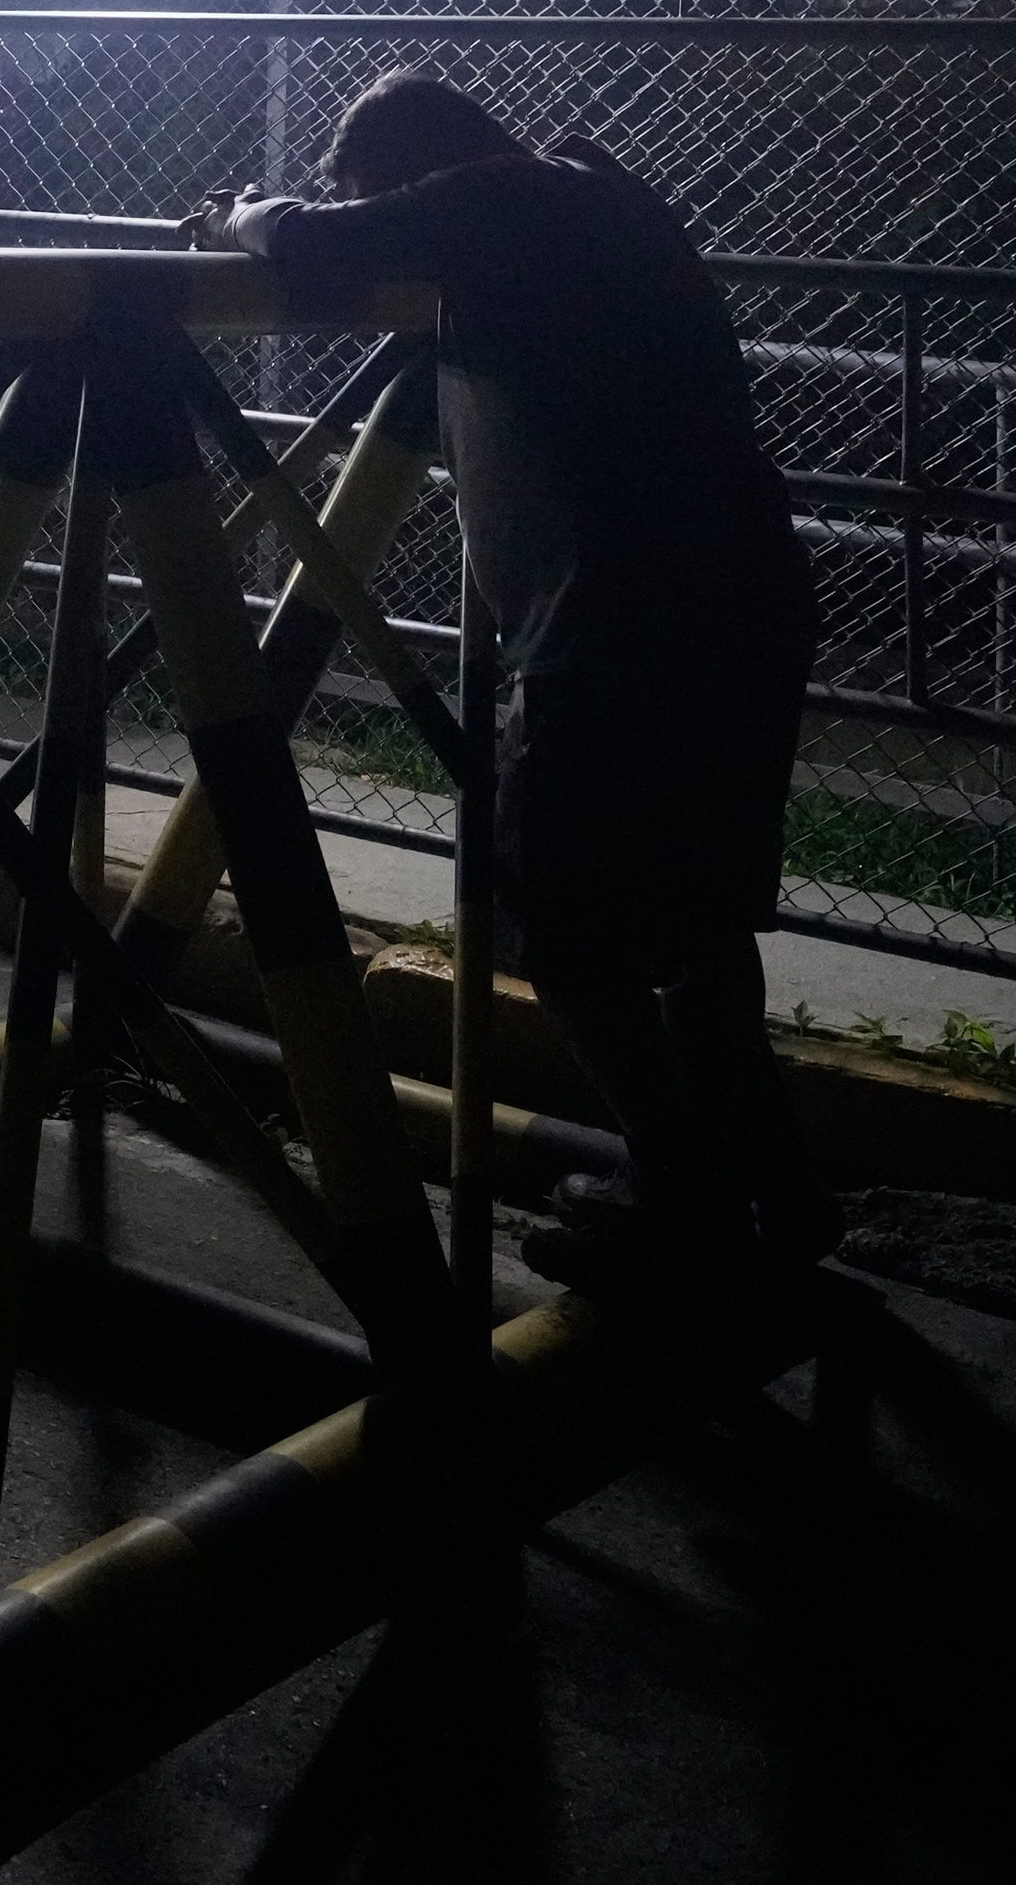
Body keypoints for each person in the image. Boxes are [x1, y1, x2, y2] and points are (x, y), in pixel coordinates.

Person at [191, 72, 839, 1290]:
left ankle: (680, 1194)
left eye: (379, 190)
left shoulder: (501, 201)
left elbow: (317, 244)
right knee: (699, 918)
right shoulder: (598, 197)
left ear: (413, 173)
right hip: (740, 600)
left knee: (567, 930)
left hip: (611, 624)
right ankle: (775, 1182)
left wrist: (235, 212)